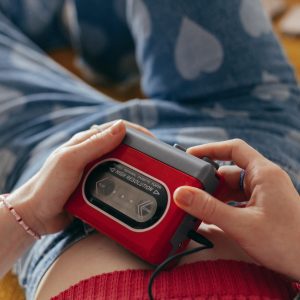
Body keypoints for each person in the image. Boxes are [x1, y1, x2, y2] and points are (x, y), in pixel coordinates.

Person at [0, 0, 299, 299]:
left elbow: (32, 209)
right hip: (255, 154)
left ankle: (87, 26)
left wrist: (28, 210)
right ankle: (96, 31)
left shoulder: (42, 201)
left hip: (63, 183)